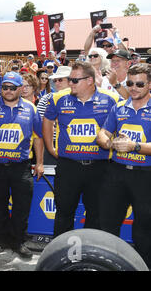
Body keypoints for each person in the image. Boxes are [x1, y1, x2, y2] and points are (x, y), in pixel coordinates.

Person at [42, 62, 119, 238]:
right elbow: (47, 121)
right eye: (70, 79)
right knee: (63, 212)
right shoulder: (58, 98)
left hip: (99, 167)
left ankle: (89, 253)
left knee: (96, 214)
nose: (70, 83)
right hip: (69, 167)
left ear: (90, 80)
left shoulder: (111, 99)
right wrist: (51, 148)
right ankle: (61, 254)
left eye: (75, 80)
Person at [0, 71, 44, 258]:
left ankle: (18, 241)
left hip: (21, 166)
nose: (7, 91)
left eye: (12, 88)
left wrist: (39, 163)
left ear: (20, 89)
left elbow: (38, 137)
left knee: (21, 207)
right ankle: (2, 239)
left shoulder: (31, 108)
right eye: (4, 87)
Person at [96, 63, 151, 268]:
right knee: (108, 224)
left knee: (144, 228)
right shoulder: (119, 107)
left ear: (149, 84)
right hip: (116, 173)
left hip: (145, 175)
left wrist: (133, 146)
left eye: (139, 83)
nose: (134, 87)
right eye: (130, 83)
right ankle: (108, 264)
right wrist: (110, 143)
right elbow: (102, 133)